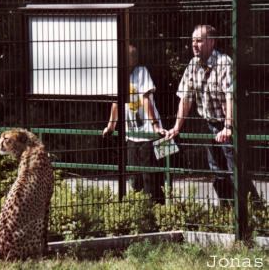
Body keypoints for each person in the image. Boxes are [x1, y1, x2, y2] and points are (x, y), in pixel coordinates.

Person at [166, 24, 259, 206]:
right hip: (209, 124)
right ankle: (226, 212)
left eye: (199, 40)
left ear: (211, 42)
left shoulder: (224, 63)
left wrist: (228, 126)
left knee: (235, 171)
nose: (194, 44)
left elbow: (230, 96)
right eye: (193, 40)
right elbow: (186, 97)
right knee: (217, 170)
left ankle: (252, 211)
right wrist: (177, 127)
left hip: (230, 123)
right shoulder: (193, 64)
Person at [103, 44, 168, 203]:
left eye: (127, 57)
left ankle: (155, 211)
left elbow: (146, 99)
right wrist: (111, 126)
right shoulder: (119, 76)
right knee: (135, 177)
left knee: (151, 177)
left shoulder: (141, 72)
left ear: (134, 59)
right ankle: (139, 211)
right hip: (132, 134)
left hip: (149, 135)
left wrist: (155, 125)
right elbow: (116, 102)